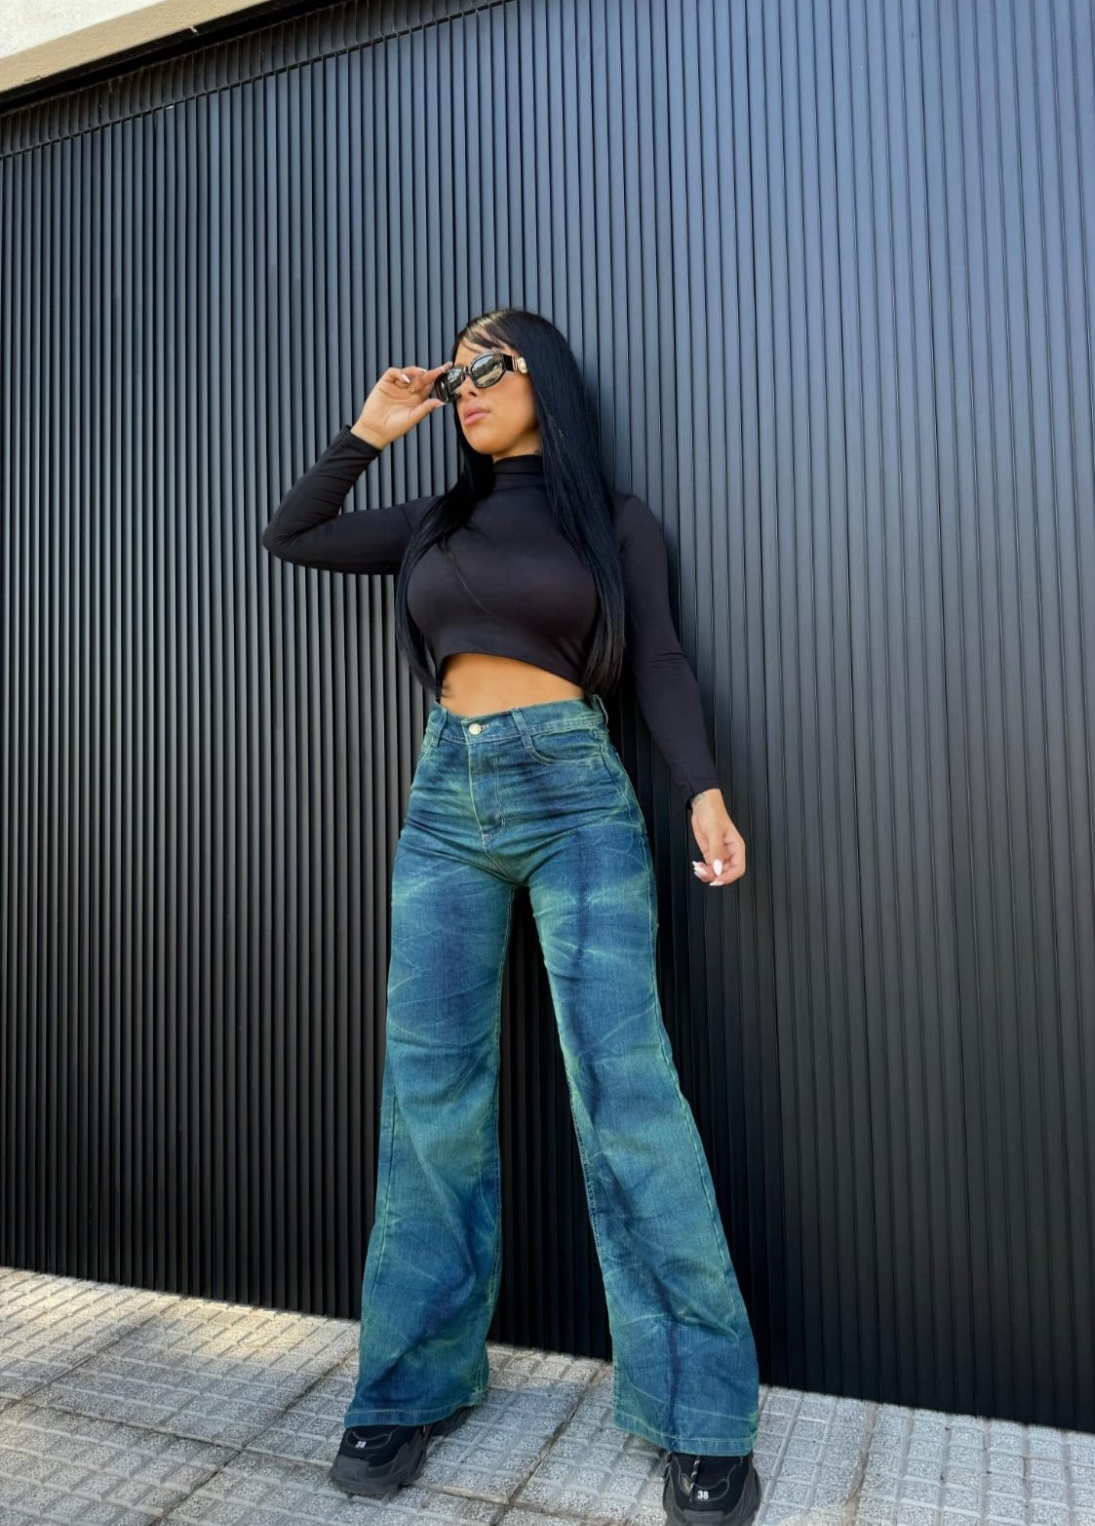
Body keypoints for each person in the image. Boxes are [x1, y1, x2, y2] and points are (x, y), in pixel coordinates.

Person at [261, 307, 761, 1526]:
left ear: (549, 382)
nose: (468, 384)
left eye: (493, 364)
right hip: (445, 802)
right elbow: (295, 532)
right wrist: (373, 427)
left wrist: (702, 788)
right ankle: (409, 1384)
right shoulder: (438, 519)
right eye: (457, 370)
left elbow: (662, 668)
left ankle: (703, 1413)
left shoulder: (613, 521)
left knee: (626, 1091)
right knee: (430, 1094)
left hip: (577, 798)